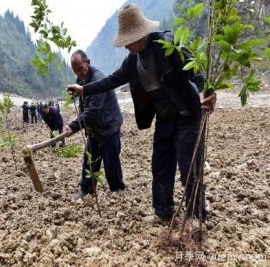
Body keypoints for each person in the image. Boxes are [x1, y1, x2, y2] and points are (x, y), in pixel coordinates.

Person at [67, 4, 217, 223]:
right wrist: (84, 89)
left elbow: (195, 69)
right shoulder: (131, 61)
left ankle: (197, 217)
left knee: (189, 167)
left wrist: (207, 92)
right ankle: (163, 212)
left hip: (188, 114)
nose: (125, 45)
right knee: (160, 166)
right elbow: (111, 81)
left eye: (127, 40)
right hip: (165, 119)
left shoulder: (167, 44)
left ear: (140, 35)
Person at [66, 49, 125, 199]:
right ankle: (86, 189)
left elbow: (93, 110)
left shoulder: (98, 78)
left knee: (111, 159)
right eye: (75, 70)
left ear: (88, 62)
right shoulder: (81, 79)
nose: (79, 72)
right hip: (94, 128)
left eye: (80, 68)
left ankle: (118, 189)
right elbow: (84, 104)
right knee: (90, 159)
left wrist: (74, 126)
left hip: (108, 126)